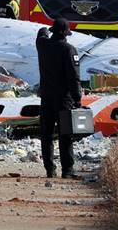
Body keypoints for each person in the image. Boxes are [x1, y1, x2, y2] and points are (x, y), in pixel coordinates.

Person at [36, 18, 83, 179]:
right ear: (64, 32)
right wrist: (77, 99)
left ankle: (50, 169)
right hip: (64, 99)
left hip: (46, 97)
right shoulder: (69, 50)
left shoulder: (42, 45)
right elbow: (73, 77)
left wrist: (46, 30)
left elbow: (41, 34)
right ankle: (67, 170)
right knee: (66, 134)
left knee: (47, 134)